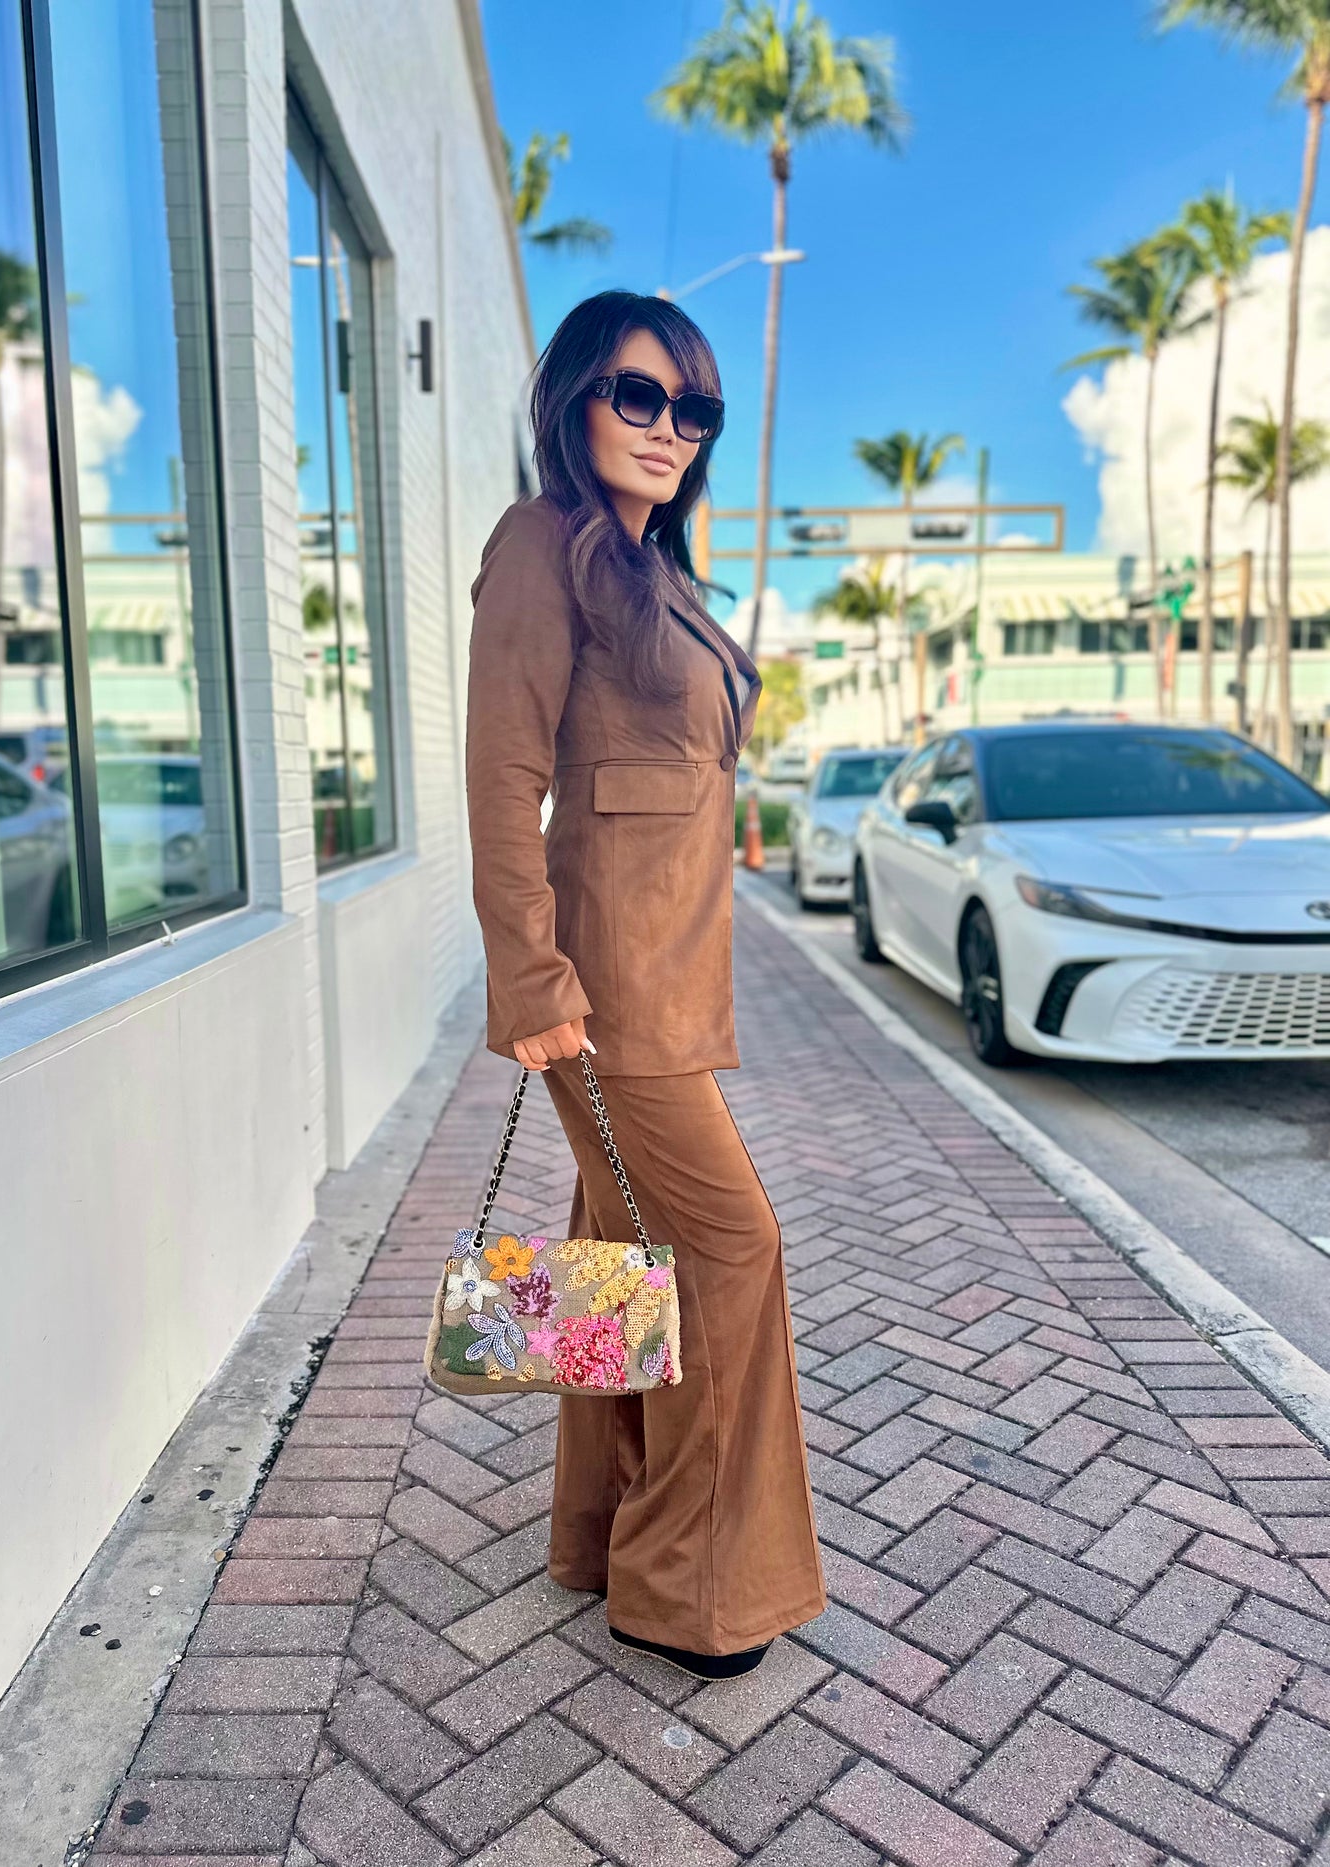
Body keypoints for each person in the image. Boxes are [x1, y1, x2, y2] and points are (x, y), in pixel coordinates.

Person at [463, 289, 826, 1680]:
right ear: (574, 401)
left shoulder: (651, 566)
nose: (672, 428)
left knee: (626, 1268)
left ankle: (600, 1533)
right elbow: (507, 778)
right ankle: (685, 1587)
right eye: (641, 396)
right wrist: (534, 980)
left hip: (670, 976)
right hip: (604, 993)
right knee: (734, 1256)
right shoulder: (539, 544)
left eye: (696, 410)